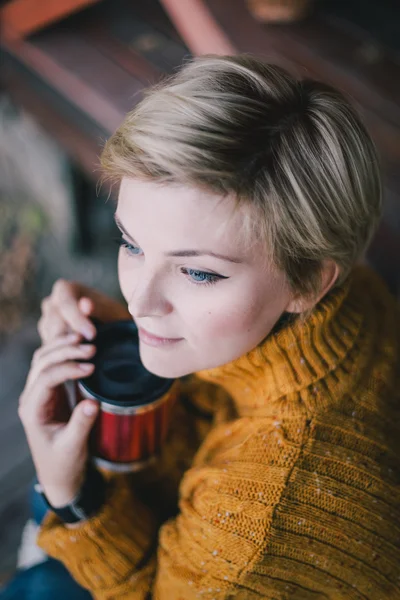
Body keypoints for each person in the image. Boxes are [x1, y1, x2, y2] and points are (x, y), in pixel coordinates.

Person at [2, 54, 400, 599]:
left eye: (197, 272)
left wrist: (75, 499)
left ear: (310, 282)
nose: (138, 301)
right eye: (131, 244)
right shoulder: (350, 291)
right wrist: (109, 326)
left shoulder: (255, 535)